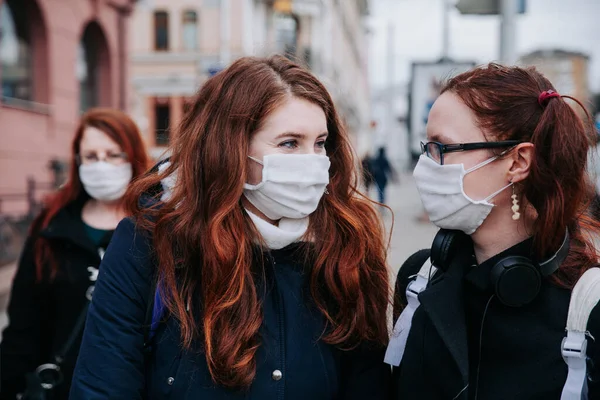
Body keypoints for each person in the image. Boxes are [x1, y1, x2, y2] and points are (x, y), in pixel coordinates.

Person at [70, 56, 391, 399]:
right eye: (289, 143)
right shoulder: (148, 245)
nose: (312, 162)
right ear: (230, 148)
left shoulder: (347, 246)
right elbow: (102, 387)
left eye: (320, 142)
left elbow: (368, 383)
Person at [388, 63, 600, 399]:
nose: (423, 168)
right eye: (425, 149)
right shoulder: (419, 280)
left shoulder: (588, 308)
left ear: (518, 162)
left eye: (441, 149)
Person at [0, 108, 150, 399]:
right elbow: (23, 327)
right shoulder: (52, 226)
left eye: (113, 154)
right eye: (91, 156)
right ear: (78, 161)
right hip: (63, 387)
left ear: (132, 156)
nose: (101, 165)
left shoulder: (157, 226)